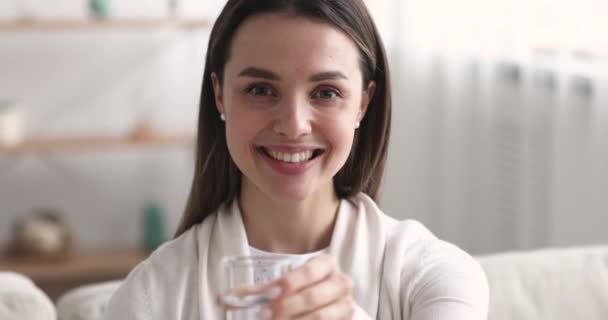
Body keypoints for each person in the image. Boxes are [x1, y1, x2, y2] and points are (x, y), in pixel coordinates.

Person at [103, 0, 489, 319]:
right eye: (260, 89)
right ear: (220, 95)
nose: (293, 125)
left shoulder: (435, 276)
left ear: (363, 103)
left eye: (326, 92)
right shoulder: (152, 293)